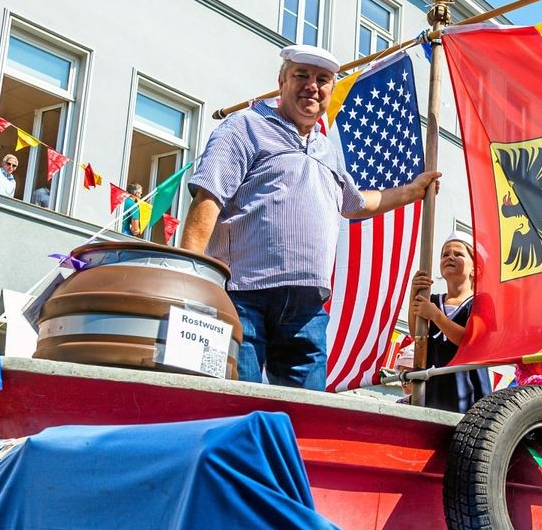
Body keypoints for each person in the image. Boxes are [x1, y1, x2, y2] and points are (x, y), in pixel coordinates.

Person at [180, 44, 440, 390]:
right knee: (234, 400)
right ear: (282, 81)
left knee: (306, 412)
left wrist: (411, 191)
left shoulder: (325, 148)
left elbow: (358, 203)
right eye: (301, 75)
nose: (312, 86)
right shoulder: (244, 127)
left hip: (307, 306)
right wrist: (190, 277)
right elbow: (208, 197)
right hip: (241, 294)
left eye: (322, 79)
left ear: (331, 90)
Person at [410, 231, 490, 413]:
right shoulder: (434, 300)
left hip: (468, 391)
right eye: (445, 254)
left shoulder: (481, 302)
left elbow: (468, 341)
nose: (450, 257)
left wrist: (437, 316)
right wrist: (413, 293)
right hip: (434, 391)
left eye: (458, 254)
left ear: (474, 269)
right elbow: (417, 335)